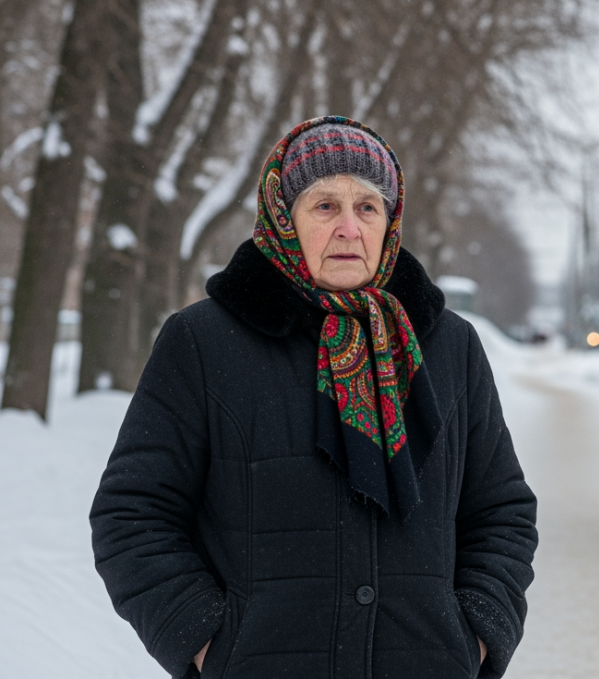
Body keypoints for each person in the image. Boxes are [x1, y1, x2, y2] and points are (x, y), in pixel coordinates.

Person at [90, 116, 537, 678]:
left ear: (389, 222)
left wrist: (473, 633)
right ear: (283, 218)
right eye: (325, 205)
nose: (349, 228)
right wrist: (209, 643)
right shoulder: (205, 342)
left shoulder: (448, 346)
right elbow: (131, 514)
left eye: (368, 207)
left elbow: (501, 512)